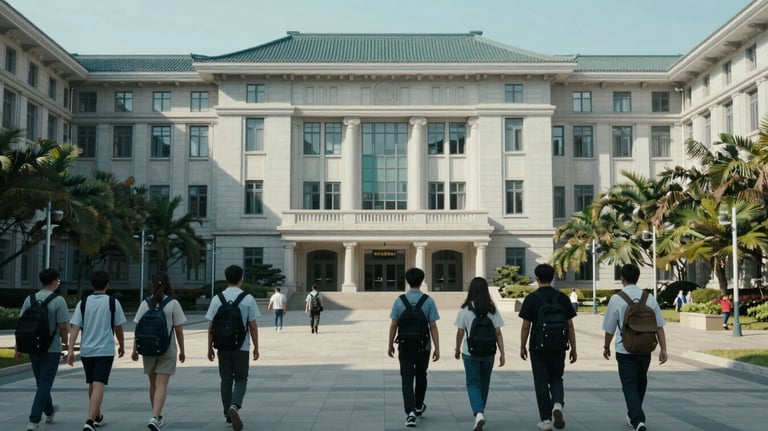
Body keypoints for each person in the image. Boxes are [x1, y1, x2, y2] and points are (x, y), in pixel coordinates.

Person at [602, 264, 667, 431]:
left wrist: (606, 346)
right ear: (638, 278)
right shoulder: (649, 298)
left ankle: (638, 420)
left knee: (629, 383)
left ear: (622, 279)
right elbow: (659, 326)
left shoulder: (616, 299)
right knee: (641, 380)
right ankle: (634, 415)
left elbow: (609, 327)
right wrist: (664, 349)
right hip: (646, 347)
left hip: (624, 348)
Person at [519, 263, 577, 431]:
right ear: (552, 278)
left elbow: (525, 326)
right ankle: (557, 404)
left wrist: (522, 346)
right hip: (559, 346)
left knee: (541, 382)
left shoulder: (531, 299)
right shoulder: (562, 298)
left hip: (538, 347)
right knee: (557, 378)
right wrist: (573, 348)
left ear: (537, 279)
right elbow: (570, 325)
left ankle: (545, 420)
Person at [67, 270, 127, 431]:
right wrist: (121, 344)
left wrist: (71, 350)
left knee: (92, 384)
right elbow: (118, 327)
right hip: (105, 350)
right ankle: (89, 421)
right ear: (107, 284)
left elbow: (75, 328)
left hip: (87, 351)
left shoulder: (83, 303)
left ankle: (97, 415)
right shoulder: (112, 302)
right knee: (99, 384)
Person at [205, 265, 260, 431]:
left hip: (222, 346)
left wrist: (209, 348)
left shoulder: (217, 299)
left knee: (226, 380)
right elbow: (253, 325)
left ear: (226, 278)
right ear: (241, 278)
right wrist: (256, 346)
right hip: (242, 346)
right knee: (241, 379)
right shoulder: (248, 298)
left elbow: (210, 326)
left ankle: (228, 416)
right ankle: (235, 406)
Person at [131, 272, 187, 431]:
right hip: (167, 348)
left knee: (153, 384)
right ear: (169, 285)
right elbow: (179, 330)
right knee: (161, 384)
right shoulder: (173, 303)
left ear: (152, 285)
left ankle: (156, 415)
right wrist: (182, 351)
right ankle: (155, 417)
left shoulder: (145, 303)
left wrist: (135, 350)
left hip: (147, 349)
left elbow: (137, 328)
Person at [15, 268, 69, 431]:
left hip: (32, 347)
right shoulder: (59, 301)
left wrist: (18, 348)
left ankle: (50, 410)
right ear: (54, 281)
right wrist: (66, 344)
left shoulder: (29, 299)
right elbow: (62, 325)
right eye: (58, 281)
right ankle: (33, 421)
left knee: (41, 382)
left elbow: (21, 326)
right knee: (44, 383)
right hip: (51, 349)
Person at [387, 267, 440, 428]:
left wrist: (390, 344)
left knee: (407, 378)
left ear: (407, 281)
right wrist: (437, 347)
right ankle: (418, 406)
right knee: (421, 376)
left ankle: (410, 413)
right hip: (424, 346)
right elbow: (433, 326)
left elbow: (394, 324)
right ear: (422, 281)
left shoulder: (399, 300)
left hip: (404, 346)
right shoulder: (428, 301)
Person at [454, 277, 505, 431]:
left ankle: (478, 413)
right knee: (484, 382)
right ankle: (480, 411)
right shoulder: (492, 309)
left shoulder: (465, 309)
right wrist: (502, 353)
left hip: (470, 352)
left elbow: (460, 332)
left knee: (472, 383)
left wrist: (457, 349)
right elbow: (498, 333)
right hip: (489, 352)